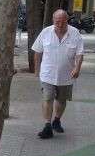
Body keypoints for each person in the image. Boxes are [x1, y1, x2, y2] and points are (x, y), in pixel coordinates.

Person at [32, 9, 84, 139]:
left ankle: (57, 120)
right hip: (47, 74)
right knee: (47, 98)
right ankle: (47, 126)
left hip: (66, 75)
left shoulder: (75, 33)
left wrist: (77, 67)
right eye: (58, 22)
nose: (61, 25)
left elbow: (79, 53)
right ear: (53, 21)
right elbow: (37, 52)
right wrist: (36, 69)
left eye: (64, 22)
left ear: (68, 20)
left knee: (61, 100)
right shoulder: (46, 33)